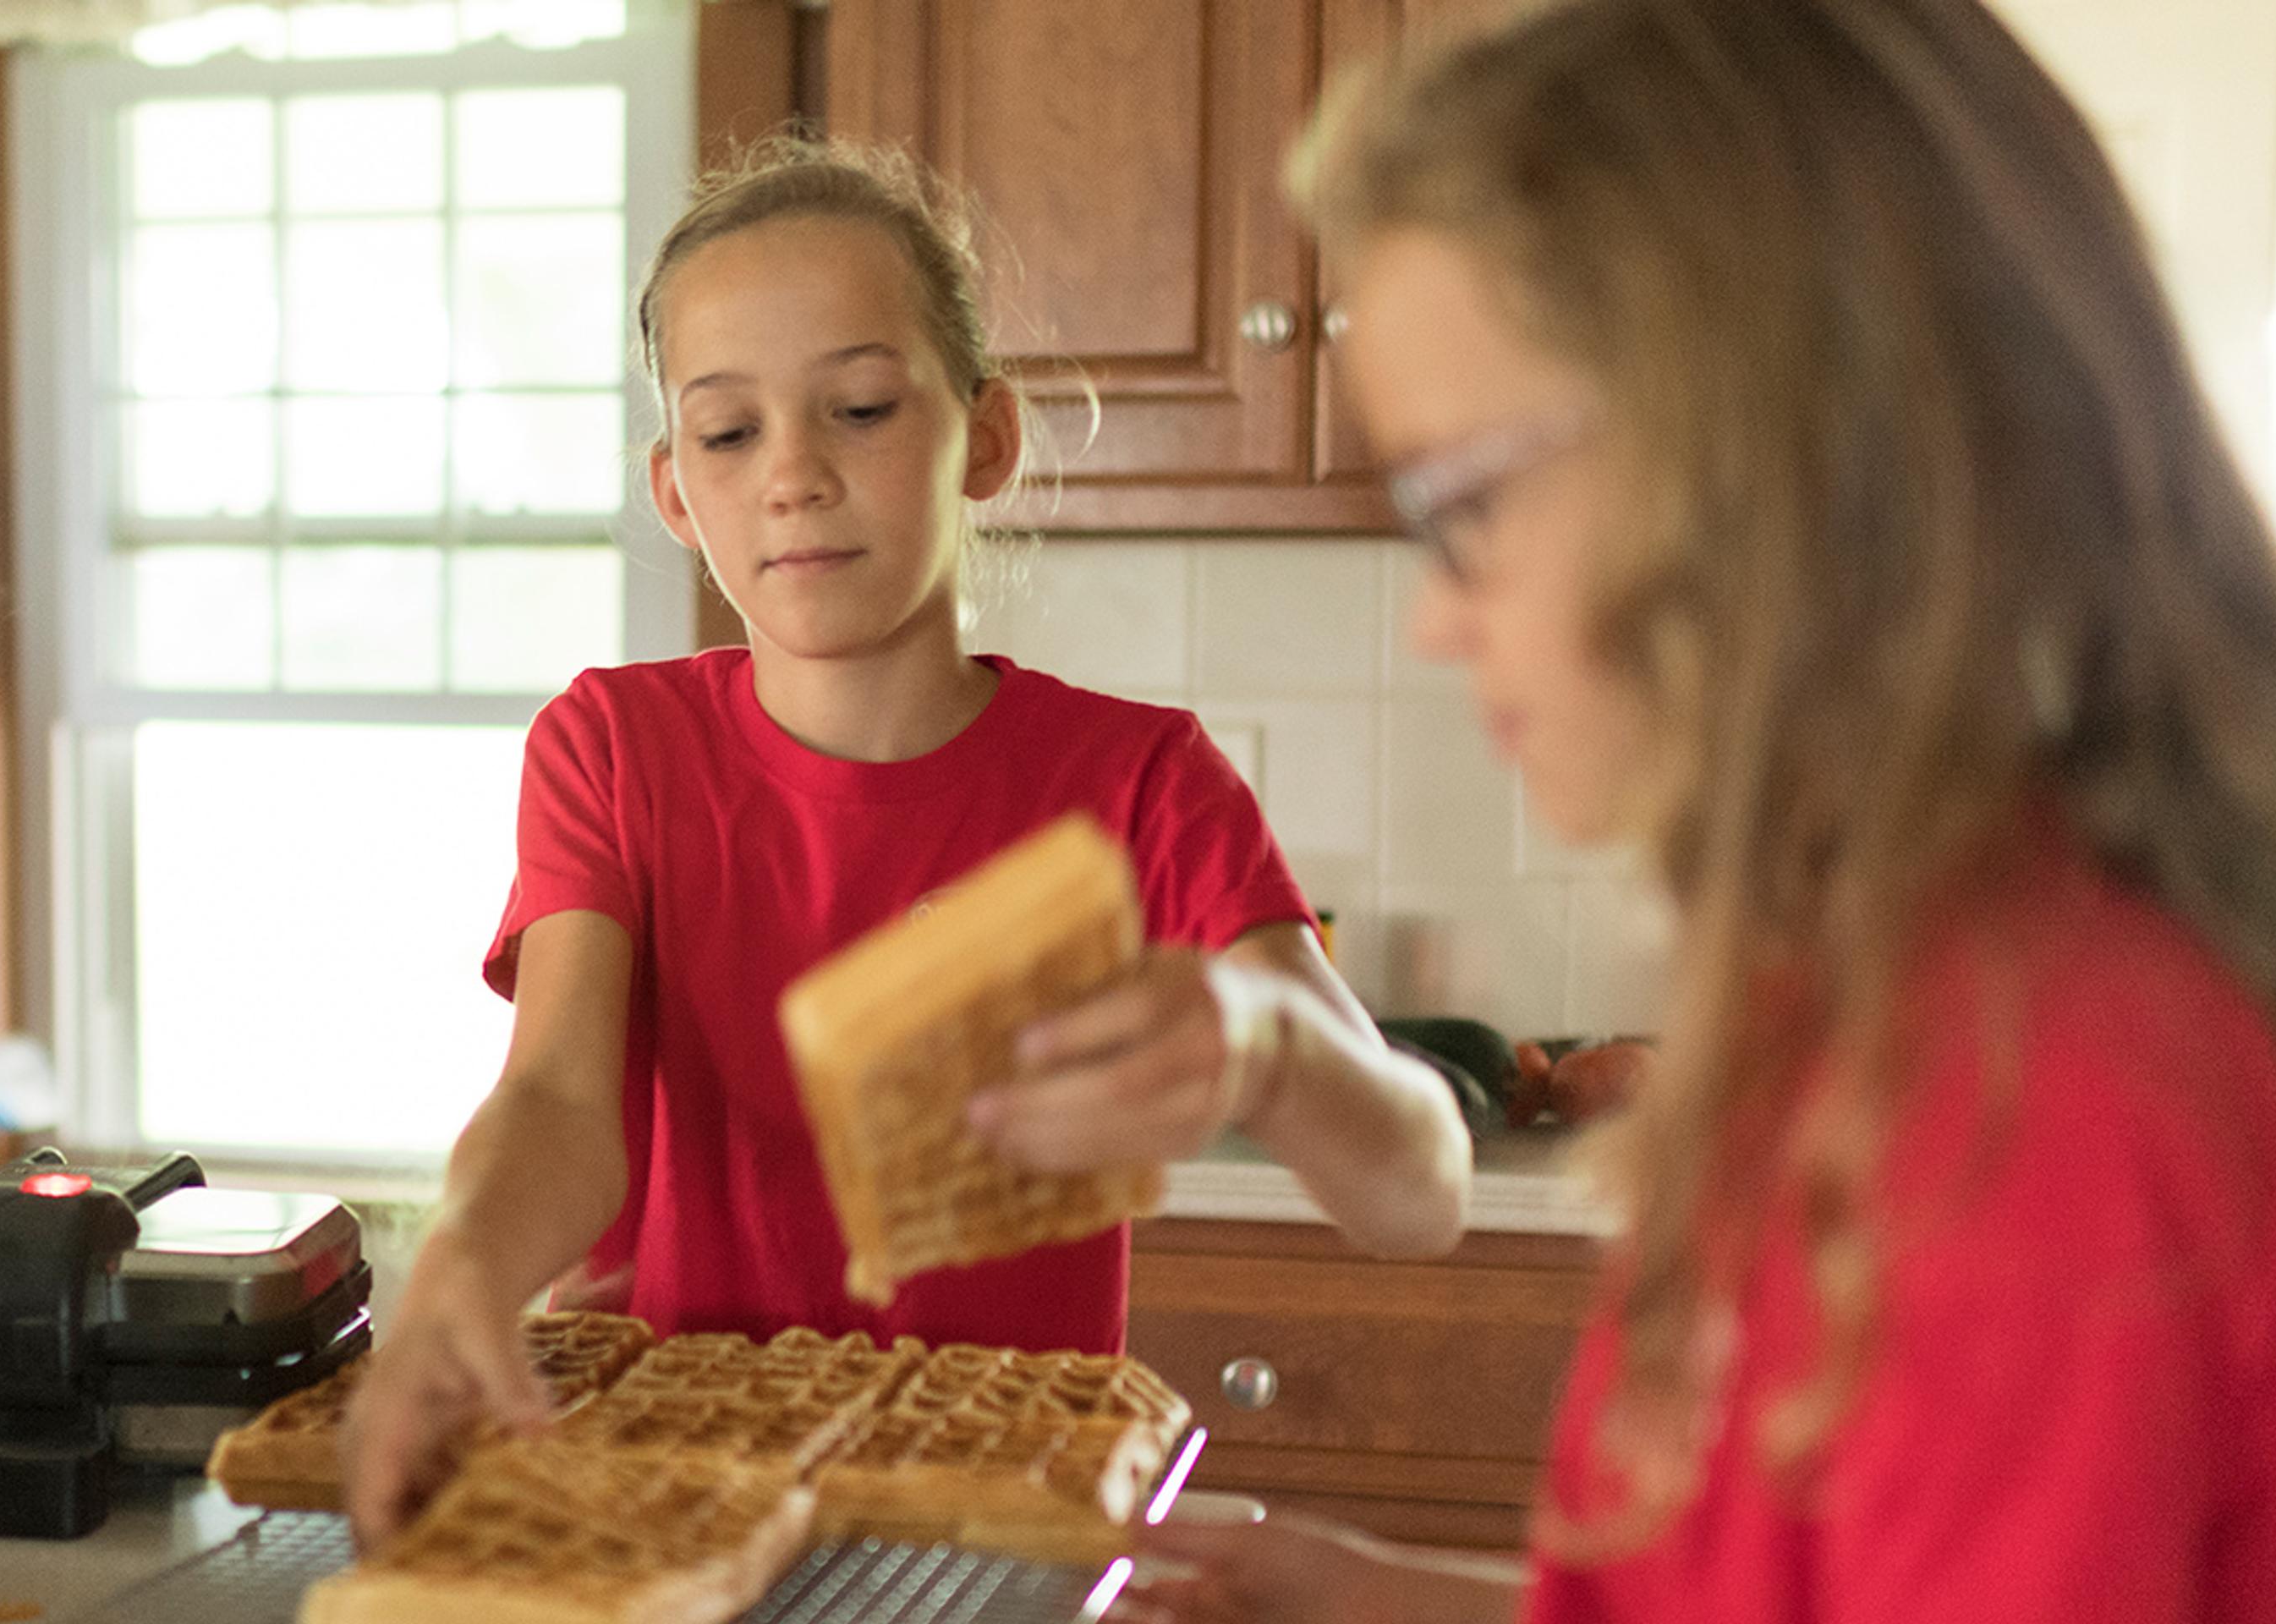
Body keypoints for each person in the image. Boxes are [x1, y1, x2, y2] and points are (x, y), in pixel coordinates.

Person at [1127, 0, 2276, 1620]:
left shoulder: (2029, 1116)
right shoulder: (1884, 1009)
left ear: (1765, 455)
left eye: (1470, 506)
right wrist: (1361, 1597)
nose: (1436, 621)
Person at [339, 139, 1475, 1544]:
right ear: (676, 492)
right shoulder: (616, 751)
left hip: (994, 1541)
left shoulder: (1137, 784)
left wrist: (1271, 1044)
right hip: (669, 1520)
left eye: (862, 408)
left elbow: (1422, 1192)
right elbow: (563, 1107)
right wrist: (463, 1258)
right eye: (730, 430)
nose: (796, 475)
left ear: (985, 439)